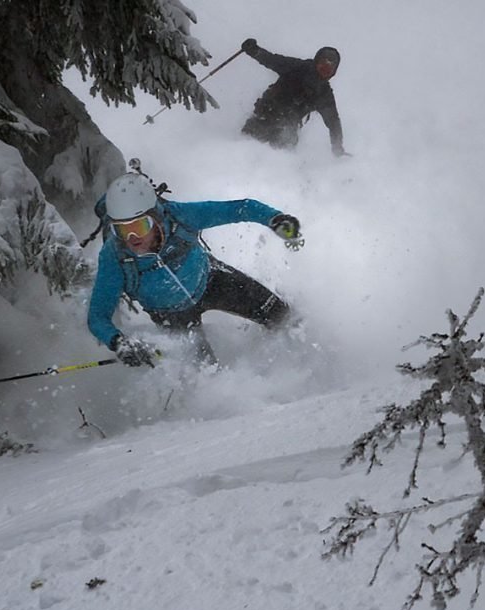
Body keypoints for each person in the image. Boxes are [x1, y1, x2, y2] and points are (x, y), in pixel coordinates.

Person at [87, 172, 304, 367]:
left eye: (139, 226)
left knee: (284, 318)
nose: (132, 238)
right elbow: (98, 316)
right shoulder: (114, 256)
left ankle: (312, 361)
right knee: (208, 376)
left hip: (212, 280)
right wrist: (119, 342)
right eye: (122, 230)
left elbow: (240, 209)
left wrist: (274, 219)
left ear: (156, 217)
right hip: (172, 316)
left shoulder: (179, 217)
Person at [240, 39, 348, 157]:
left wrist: (337, 148)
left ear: (333, 72)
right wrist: (255, 51)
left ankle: (282, 170)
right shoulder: (297, 68)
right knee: (245, 147)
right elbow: (272, 60)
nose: (324, 71)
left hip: (287, 129)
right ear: (316, 62)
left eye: (329, 70)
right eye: (322, 65)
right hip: (264, 117)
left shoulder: (324, 94)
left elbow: (333, 122)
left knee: (282, 154)